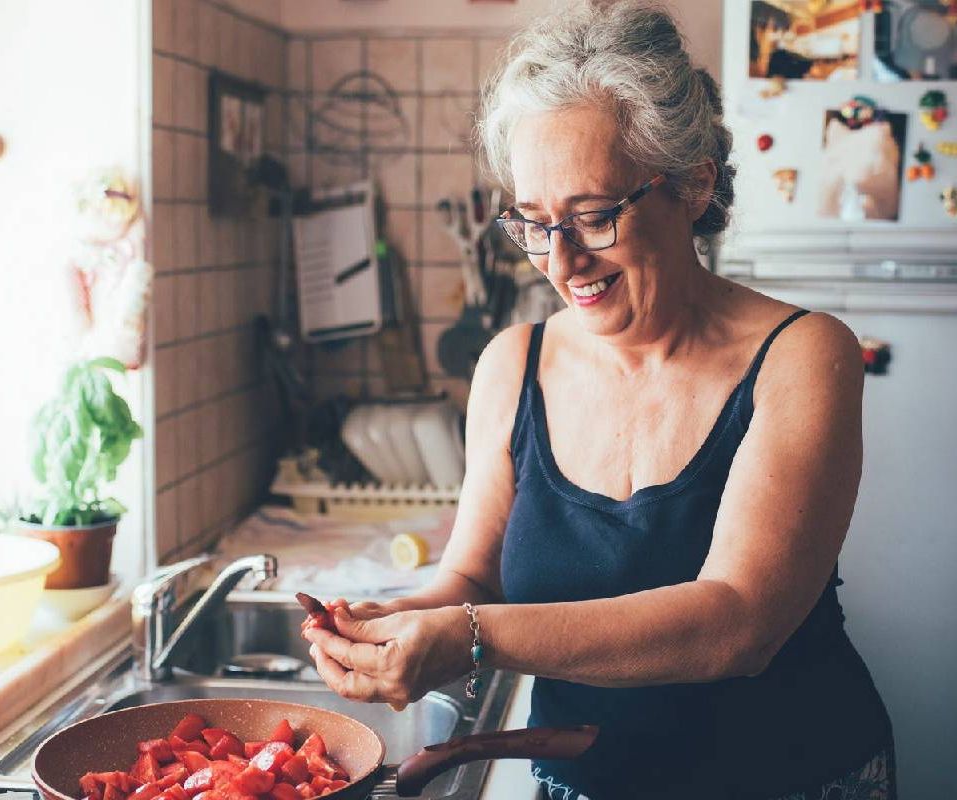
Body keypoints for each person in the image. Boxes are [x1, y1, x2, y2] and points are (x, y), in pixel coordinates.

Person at [301, 2, 894, 798]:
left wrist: (468, 638)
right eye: (534, 223)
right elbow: (473, 580)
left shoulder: (802, 355)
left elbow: (736, 624)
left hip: (790, 778)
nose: (561, 259)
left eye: (592, 216)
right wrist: (393, 625)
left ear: (691, 184)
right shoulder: (512, 365)